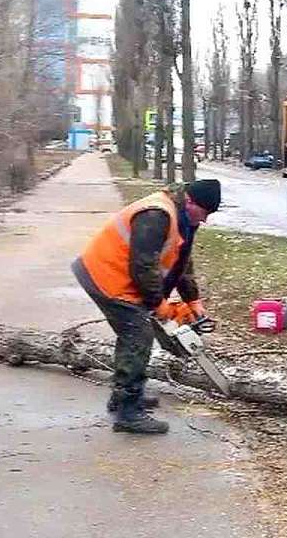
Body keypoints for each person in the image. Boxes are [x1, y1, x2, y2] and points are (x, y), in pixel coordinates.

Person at [71, 180, 221, 434]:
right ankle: (129, 412)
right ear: (190, 202)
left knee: (132, 334)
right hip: (106, 276)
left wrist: (192, 300)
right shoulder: (157, 214)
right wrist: (158, 304)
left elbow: (181, 262)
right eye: (204, 213)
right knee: (138, 335)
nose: (205, 220)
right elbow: (143, 266)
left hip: (118, 277)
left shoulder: (182, 219)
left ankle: (122, 397)